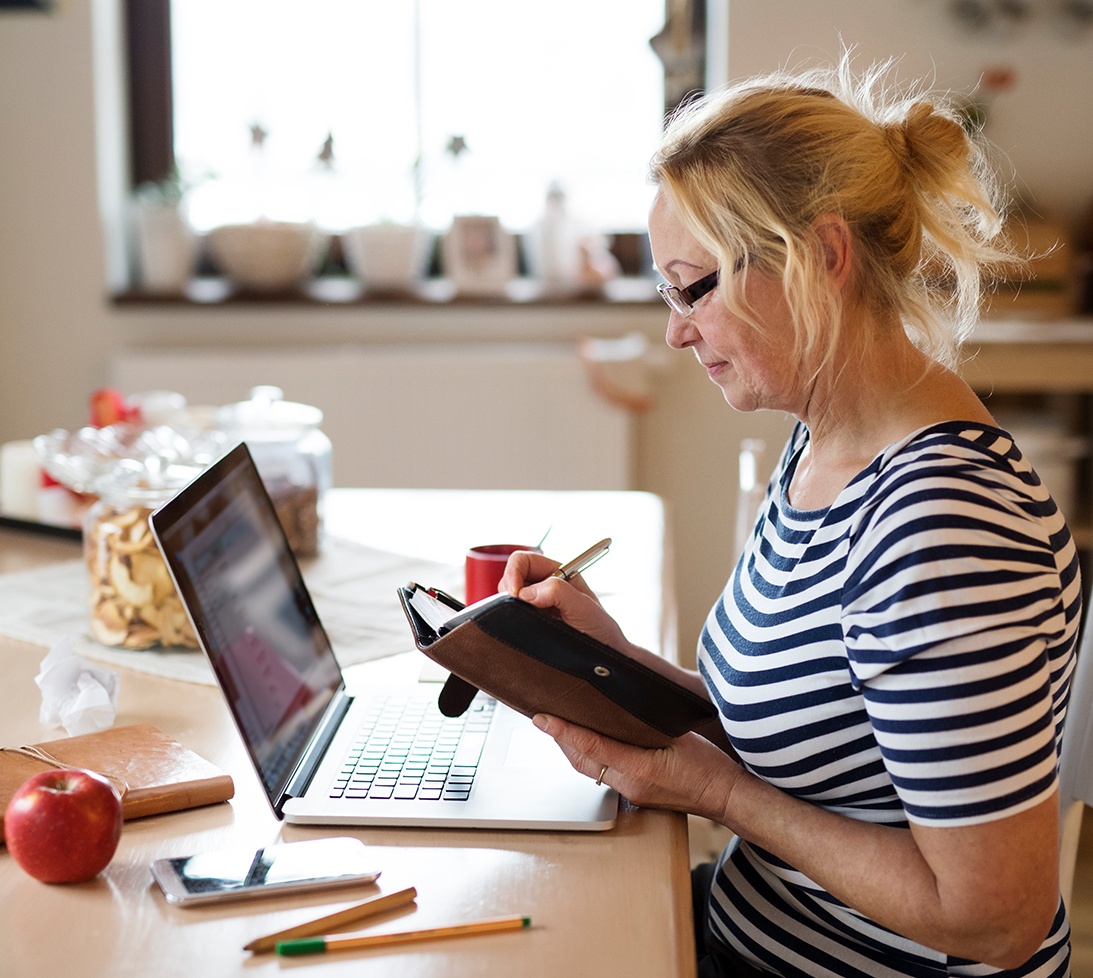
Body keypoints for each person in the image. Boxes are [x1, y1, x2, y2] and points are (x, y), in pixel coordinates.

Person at [500, 55, 1080, 977]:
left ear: (823, 256)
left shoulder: (940, 526)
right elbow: (822, 734)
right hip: (754, 933)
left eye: (695, 288)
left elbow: (992, 921)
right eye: (666, 293)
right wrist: (611, 661)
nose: (675, 331)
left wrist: (715, 794)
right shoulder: (824, 442)